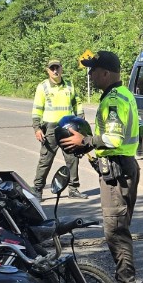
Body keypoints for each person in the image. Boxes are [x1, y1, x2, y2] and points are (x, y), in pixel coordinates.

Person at [57, 50, 141, 283]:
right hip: (122, 167)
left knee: (115, 230)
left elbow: (113, 138)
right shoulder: (122, 94)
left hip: (117, 172)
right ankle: (125, 282)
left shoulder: (113, 100)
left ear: (106, 73)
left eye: (93, 71)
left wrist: (87, 140)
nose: (90, 75)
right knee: (119, 226)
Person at [31, 60, 83, 199]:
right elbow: (37, 109)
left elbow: (77, 104)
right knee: (45, 160)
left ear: (61, 68)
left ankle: (73, 189)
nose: (55, 71)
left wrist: (81, 123)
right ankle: (37, 190)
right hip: (50, 128)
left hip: (68, 127)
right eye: (52, 68)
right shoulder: (43, 87)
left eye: (57, 68)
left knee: (73, 158)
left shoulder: (69, 85)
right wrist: (37, 128)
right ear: (48, 70)